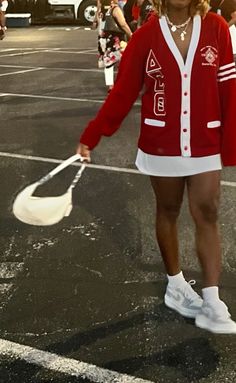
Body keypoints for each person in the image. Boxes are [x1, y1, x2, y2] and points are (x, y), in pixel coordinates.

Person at [76, 0, 236, 334]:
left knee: (207, 211)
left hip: (205, 140)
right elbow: (123, 93)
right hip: (160, 142)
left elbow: (229, 90)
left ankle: (211, 297)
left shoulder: (216, 29)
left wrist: (230, 144)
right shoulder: (145, 36)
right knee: (168, 209)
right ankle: (176, 285)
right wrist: (93, 134)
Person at [93, 0, 132, 92]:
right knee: (125, 60)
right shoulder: (114, 9)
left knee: (108, 63)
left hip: (104, 39)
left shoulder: (101, 10)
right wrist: (131, 34)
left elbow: (95, 24)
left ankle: (111, 86)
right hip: (115, 39)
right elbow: (123, 24)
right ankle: (124, 82)